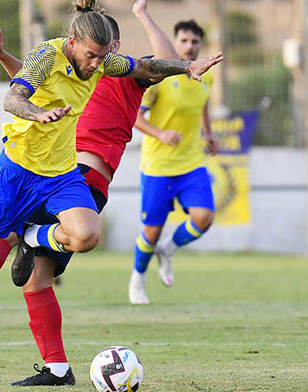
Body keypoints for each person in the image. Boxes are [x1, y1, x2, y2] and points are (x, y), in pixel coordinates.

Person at [0, 0, 223, 386]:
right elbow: (26, 84)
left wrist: (143, 17)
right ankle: (38, 353)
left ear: (115, 48)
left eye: (108, 50)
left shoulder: (119, 75)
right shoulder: (64, 62)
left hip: (78, 175)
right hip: (37, 167)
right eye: (94, 51)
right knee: (8, 253)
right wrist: (6, 60)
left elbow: (158, 63)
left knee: (36, 260)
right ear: (79, 43)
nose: (100, 58)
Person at [128, 19, 218, 305]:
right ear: (174, 43)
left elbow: (202, 104)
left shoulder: (207, 76)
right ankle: (137, 278)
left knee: (204, 217)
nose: (190, 47)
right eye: (184, 41)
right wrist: (161, 134)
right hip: (159, 166)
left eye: (195, 42)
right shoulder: (160, 78)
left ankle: (168, 250)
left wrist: (209, 134)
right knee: (152, 230)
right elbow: (135, 118)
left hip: (192, 162)